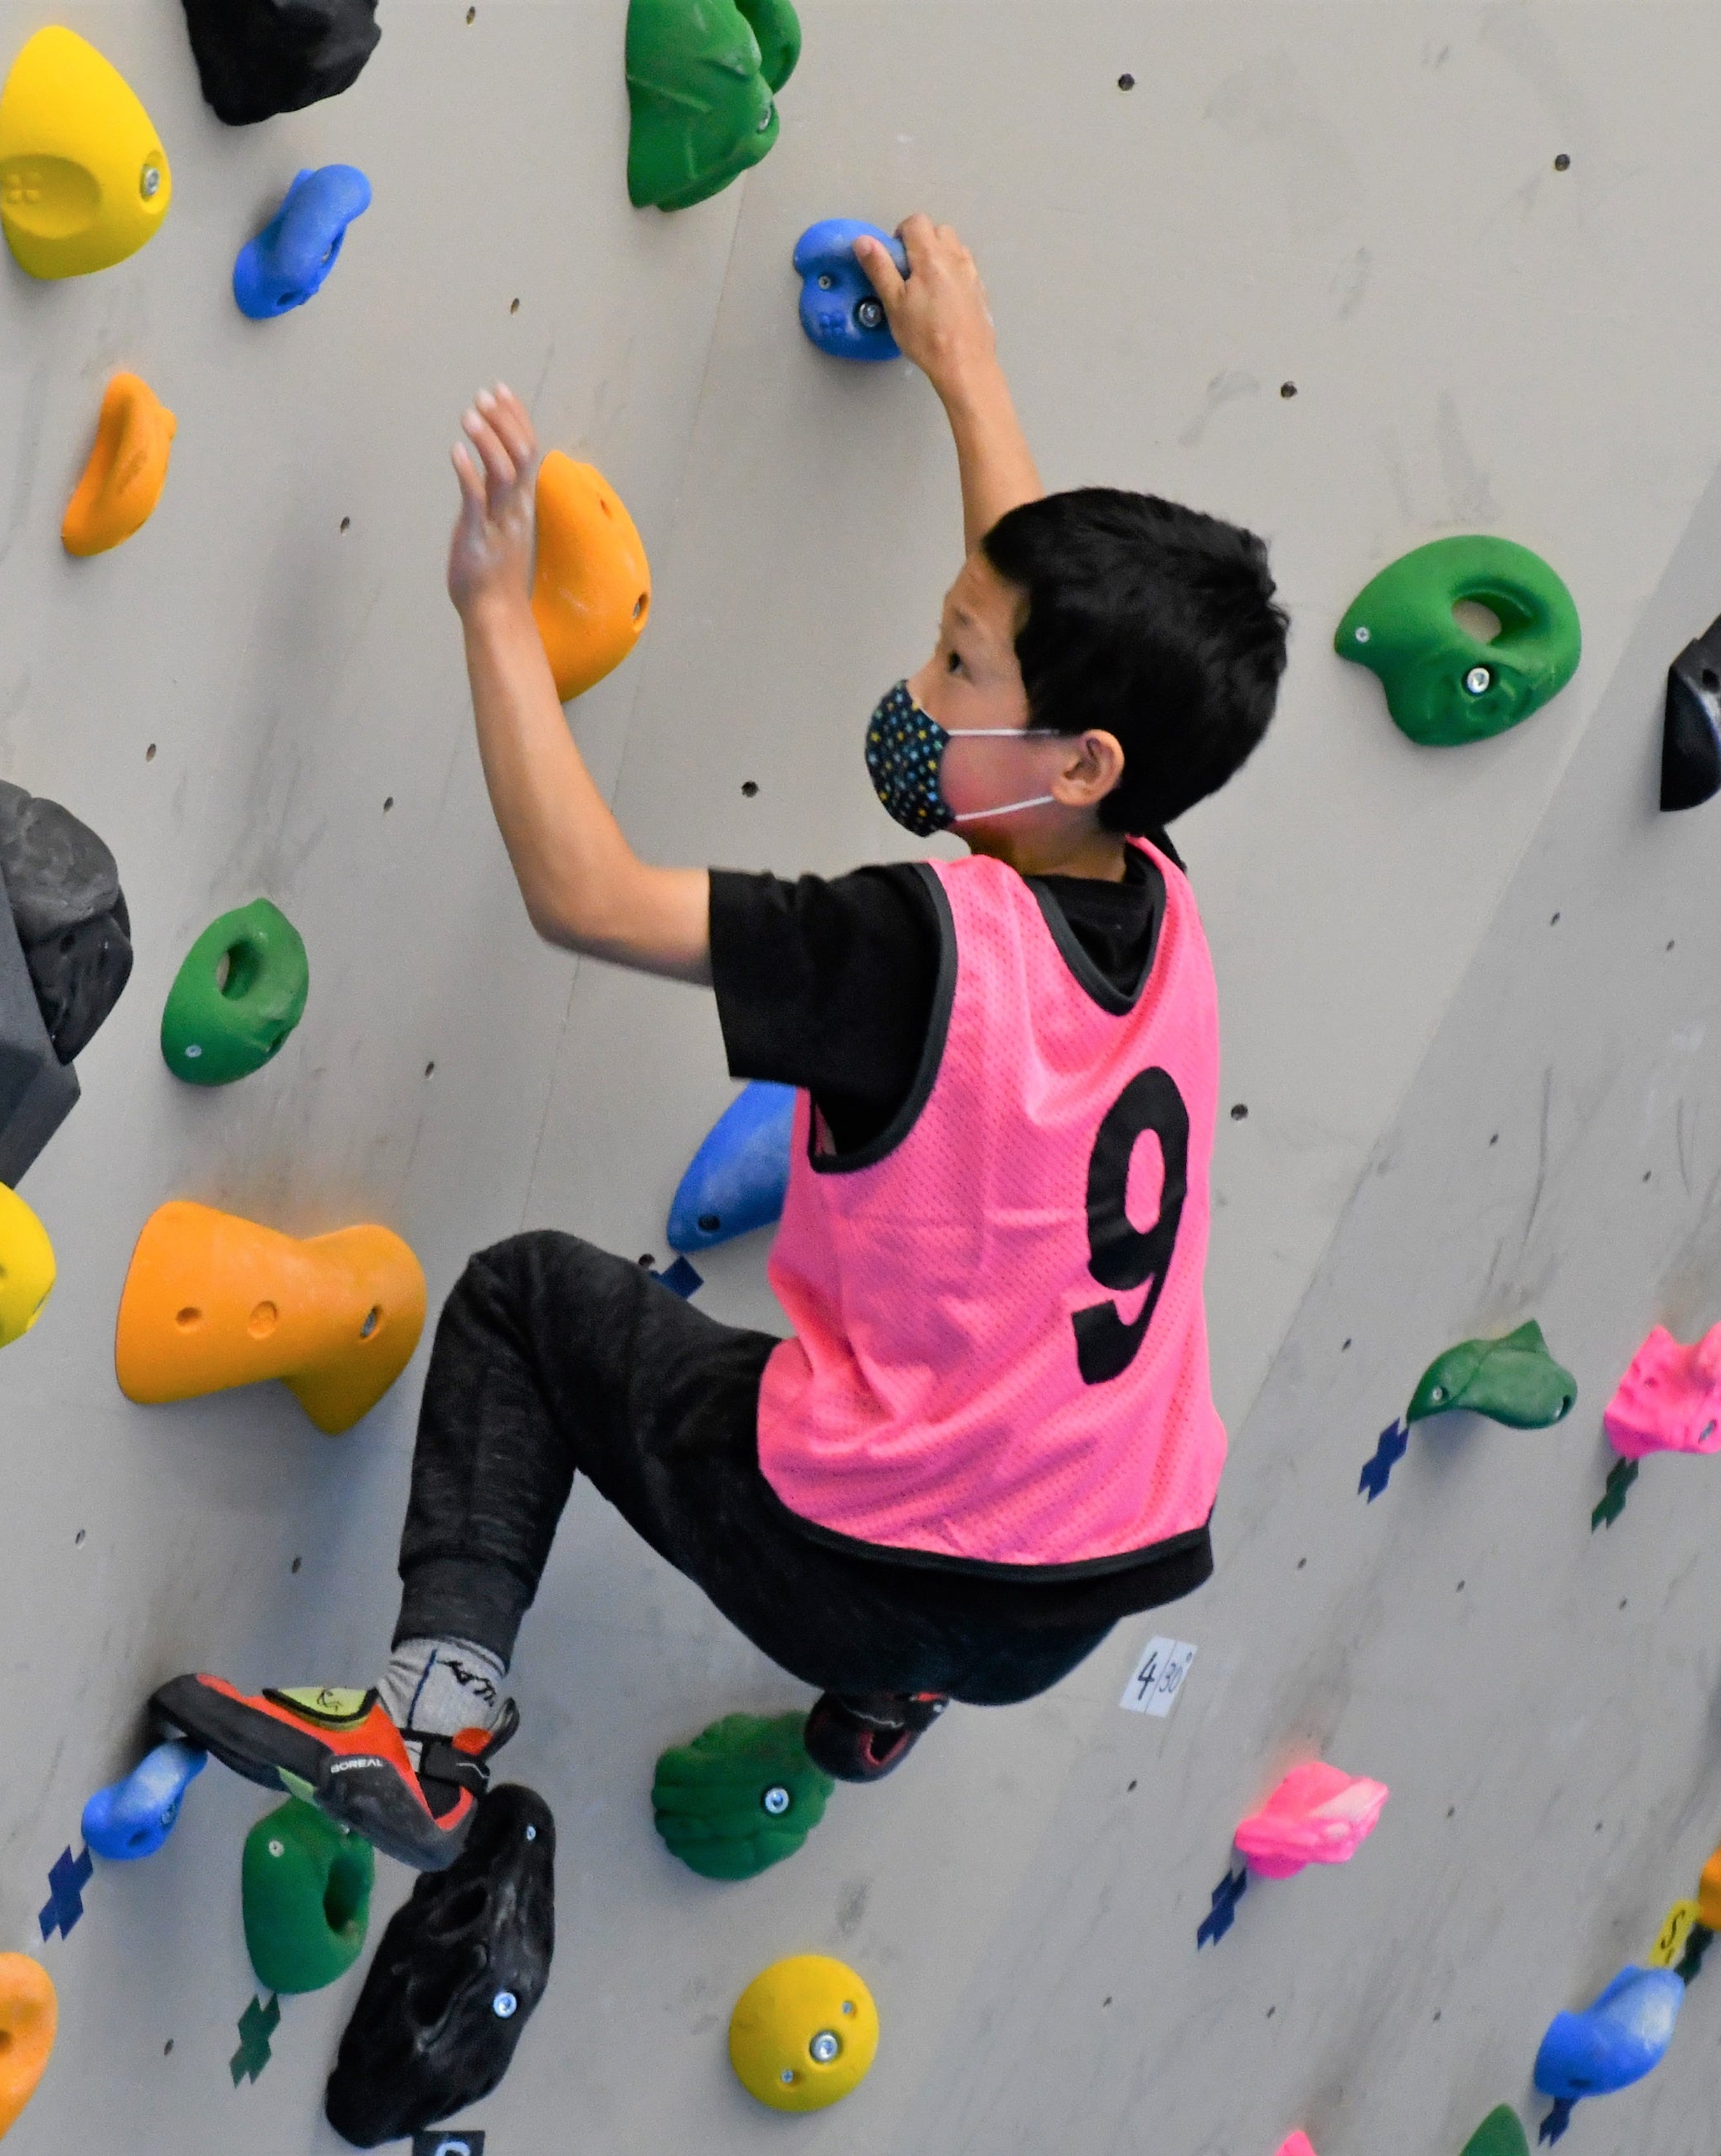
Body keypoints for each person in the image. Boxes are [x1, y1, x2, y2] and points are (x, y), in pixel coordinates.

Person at [155, 216, 1289, 1871]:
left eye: (957, 663)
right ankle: (889, 1696)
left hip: (866, 1559)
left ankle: (432, 1722)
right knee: (968, 1419)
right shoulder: (1162, 900)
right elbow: (1040, 629)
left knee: (527, 1301)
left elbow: (583, 891)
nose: (924, 681)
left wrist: (490, 607)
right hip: (1083, 1587)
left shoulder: (917, 951)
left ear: (1087, 760)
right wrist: (962, 371)